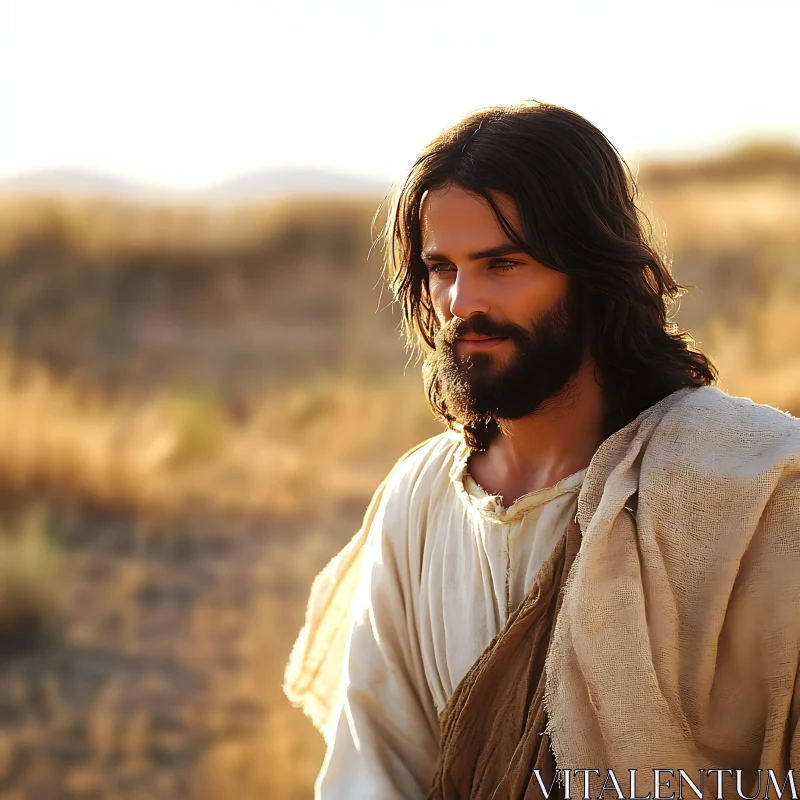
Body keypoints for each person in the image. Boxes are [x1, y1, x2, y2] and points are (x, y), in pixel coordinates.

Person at [284, 101, 800, 800]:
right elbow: (374, 767)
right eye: (441, 268)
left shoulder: (750, 486)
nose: (463, 301)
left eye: (504, 263)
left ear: (592, 273)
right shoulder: (419, 498)